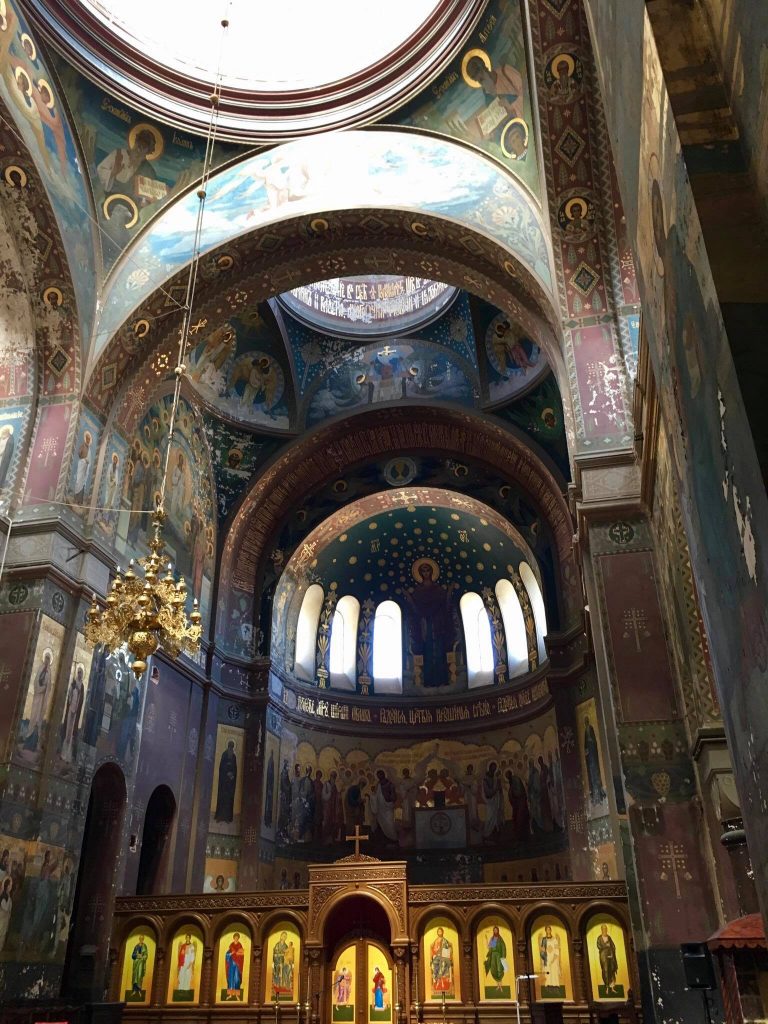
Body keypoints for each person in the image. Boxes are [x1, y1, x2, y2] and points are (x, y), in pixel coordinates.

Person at [403, 560, 454, 688]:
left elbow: (446, 606)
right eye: (423, 571)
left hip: (438, 625)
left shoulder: (438, 589)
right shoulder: (418, 591)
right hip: (426, 625)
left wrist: (449, 593)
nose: (426, 573)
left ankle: (442, 679)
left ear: (432, 572)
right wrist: (409, 598)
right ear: (420, 573)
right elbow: (416, 610)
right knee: (429, 653)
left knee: (440, 652)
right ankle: (429, 680)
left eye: (428, 570)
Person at [23, 651, 52, 752]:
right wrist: (39, 688)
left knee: (39, 718)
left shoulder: (49, 672)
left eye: (49, 659)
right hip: (37, 697)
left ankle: (34, 744)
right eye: (46, 658)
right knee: (33, 717)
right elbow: (36, 681)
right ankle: (27, 741)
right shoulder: (40, 668)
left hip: (43, 699)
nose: (47, 660)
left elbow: (49, 687)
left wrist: (45, 687)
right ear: (44, 659)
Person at [60, 664, 85, 763]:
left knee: (71, 734)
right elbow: (69, 695)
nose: (79, 674)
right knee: (67, 733)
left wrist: (78, 690)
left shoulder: (82, 686)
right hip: (71, 710)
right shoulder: (73, 683)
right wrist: (73, 688)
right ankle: (63, 754)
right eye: (78, 672)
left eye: (80, 673)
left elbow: (81, 698)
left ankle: (68, 757)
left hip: (76, 713)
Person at [584, 716, 607, 805]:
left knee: (596, 775)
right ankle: (595, 797)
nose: (586, 722)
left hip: (593, 753)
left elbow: (594, 740)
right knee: (592, 776)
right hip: (589, 757)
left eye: (587, 721)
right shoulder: (585, 731)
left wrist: (591, 743)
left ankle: (600, 796)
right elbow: (585, 744)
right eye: (585, 721)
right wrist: (586, 749)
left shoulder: (591, 728)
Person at [214, 740, 238, 824]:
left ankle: (228, 818)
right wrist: (226, 773)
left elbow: (235, 769)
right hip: (223, 783)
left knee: (229, 800)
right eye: (230, 747)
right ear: (228, 746)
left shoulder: (234, 757)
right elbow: (221, 767)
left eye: (232, 747)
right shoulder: (224, 754)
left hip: (230, 784)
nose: (231, 748)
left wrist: (232, 775)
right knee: (222, 799)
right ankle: (219, 817)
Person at [596, 924, 619, 996]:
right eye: (603, 929)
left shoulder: (609, 937)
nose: (605, 930)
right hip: (603, 957)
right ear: (602, 930)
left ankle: (612, 987)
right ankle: (606, 987)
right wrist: (606, 945)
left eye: (606, 929)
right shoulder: (599, 938)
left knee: (611, 970)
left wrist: (611, 950)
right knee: (605, 970)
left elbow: (613, 946)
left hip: (610, 956)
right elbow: (599, 946)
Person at [483, 925, 508, 993]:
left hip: (498, 956)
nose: (495, 931)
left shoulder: (500, 939)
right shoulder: (493, 939)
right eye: (494, 930)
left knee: (499, 970)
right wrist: (486, 939)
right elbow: (489, 947)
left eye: (496, 930)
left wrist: (503, 956)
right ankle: (498, 985)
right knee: (494, 969)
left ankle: (500, 986)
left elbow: (503, 947)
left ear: (498, 931)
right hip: (493, 956)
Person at [482, 762, 503, 840]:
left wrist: (498, 786)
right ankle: (486, 834)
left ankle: (494, 834)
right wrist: (495, 790)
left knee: (495, 817)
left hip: (495, 801)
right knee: (489, 817)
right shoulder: (485, 779)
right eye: (492, 768)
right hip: (489, 801)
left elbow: (498, 789)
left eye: (495, 768)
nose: (493, 770)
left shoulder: (495, 778)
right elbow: (487, 792)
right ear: (489, 768)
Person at [430, 926, 453, 994]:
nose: (439, 932)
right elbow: (433, 948)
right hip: (437, 956)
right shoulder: (436, 940)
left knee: (443, 965)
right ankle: (437, 981)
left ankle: (444, 983)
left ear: (442, 932)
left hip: (444, 956)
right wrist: (435, 951)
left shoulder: (445, 940)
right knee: (435, 964)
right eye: (438, 931)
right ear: (437, 933)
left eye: (441, 931)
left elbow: (449, 946)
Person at [72, 430, 92, 503]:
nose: (88, 440)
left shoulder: (89, 449)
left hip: (86, 467)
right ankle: (75, 497)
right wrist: (84, 459)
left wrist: (88, 462)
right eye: (87, 438)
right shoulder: (83, 445)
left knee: (83, 483)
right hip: (81, 464)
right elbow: (79, 453)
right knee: (78, 481)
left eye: (89, 439)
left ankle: (80, 500)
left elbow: (90, 460)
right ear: (85, 438)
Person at [225, 932, 245, 1000]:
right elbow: (227, 955)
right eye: (235, 937)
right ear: (233, 938)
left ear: (238, 938)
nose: (236, 938)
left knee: (237, 980)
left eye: (237, 937)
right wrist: (231, 953)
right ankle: (230, 994)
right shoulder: (231, 946)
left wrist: (236, 954)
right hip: (231, 965)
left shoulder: (240, 946)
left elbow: (242, 955)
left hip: (237, 966)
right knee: (231, 980)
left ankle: (237, 995)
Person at [272, 930, 288, 995]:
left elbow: (287, 955)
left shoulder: (286, 946)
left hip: (283, 963)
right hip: (277, 962)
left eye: (285, 937)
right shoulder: (277, 945)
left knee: (284, 971)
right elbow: (275, 954)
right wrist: (280, 955)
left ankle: (282, 985)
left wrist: (284, 955)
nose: (284, 938)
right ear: (281, 937)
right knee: (277, 972)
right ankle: (276, 985)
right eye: (283, 936)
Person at [0, 424, 14, 490]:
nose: (4, 431)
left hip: (4, 458)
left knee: (2, 470)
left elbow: (9, 450)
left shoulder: (10, 439)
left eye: (6, 431)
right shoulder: (1, 437)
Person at [0, 877, 12, 953]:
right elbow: (6, 908)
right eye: (10, 885)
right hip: (1, 918)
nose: (11, 886)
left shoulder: (8, 895)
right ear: (7, 886)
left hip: (5, 919)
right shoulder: (4, 896)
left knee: (3, 935)